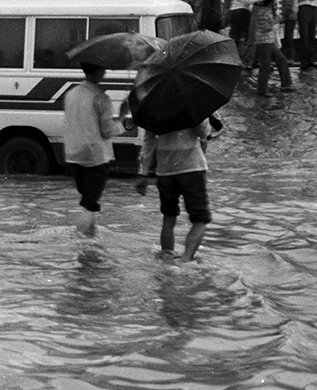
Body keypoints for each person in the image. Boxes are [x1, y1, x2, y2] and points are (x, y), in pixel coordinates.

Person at [135, 118, 213, 261]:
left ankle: (166, 256)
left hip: (165, 170)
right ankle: (185, 259)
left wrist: (143, 173)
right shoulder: (191, 101)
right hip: (192, 168)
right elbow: (204, 131)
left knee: (169, 217)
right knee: (200, 219)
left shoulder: (156, 106)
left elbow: (149, 141)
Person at [62, 62, 126, 234]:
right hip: (96, 158)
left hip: (73, 156)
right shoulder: (101, 98)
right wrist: (121, 119)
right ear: (99, 71)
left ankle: (91, 236)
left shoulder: (70, 94)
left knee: (87, 199)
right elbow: (107, 131)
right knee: (90, 204)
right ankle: (82, 242)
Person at [250, 0, 294, 96]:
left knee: (281, 60)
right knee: (265, 65)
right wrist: (275, 21)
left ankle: (286, 84)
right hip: (264, 40)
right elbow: (265, 27)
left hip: (270, 40)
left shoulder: (267, 10)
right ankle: (262, 89)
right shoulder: (261, 12)